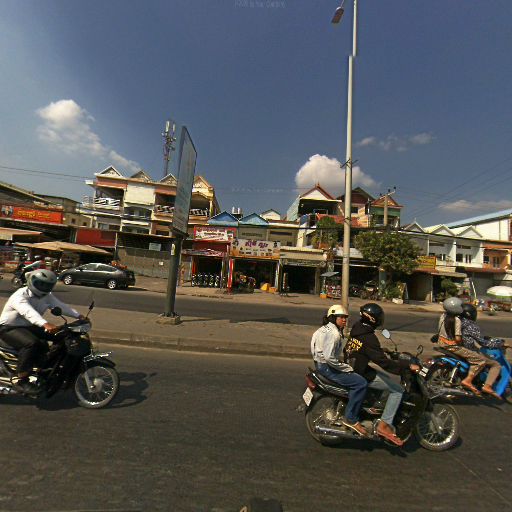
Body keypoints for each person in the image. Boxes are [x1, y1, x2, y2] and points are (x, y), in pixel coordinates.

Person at [345, 303, 420, 447]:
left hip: (354, 367)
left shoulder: (357, 328)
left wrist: (382, 351)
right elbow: (383, 363)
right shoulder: (369, 337)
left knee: (386, 380)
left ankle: (376, 407)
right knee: (397, 390)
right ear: (372, 319)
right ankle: (384, 425)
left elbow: (368, 351)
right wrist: (406, 366)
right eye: (379, 317)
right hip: (361, 373)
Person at [0, 269, 86, 395]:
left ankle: (44, 366)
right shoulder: (20, 296)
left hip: (29, 326)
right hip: (9, 328)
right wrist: (44, 323)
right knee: (32, 343)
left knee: (60, 336)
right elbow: (28, 312)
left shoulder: (46, 296)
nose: (44, 287)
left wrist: (78, 316)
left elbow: (60, 306)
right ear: (31, 281)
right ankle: (21, 379)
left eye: (47, 285)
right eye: (41, 284)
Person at [311, 304, 369, 437]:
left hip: (319, 364)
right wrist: (345, 367)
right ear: (333, 318)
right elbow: (329, 358)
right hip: (327, 367)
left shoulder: (322, 329)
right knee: (361, 383)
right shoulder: (334, 334)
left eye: (345, 317)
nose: (344, 320)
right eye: (341, 317)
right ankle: (351, 418)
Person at [458, 303, 503, 398]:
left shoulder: (458, 322)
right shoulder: (471, 326)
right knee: (496, 365)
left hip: (459, 348)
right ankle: (487, 386)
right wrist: (499, 344)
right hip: (469, 350)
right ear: (470, 314)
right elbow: (483, 343)